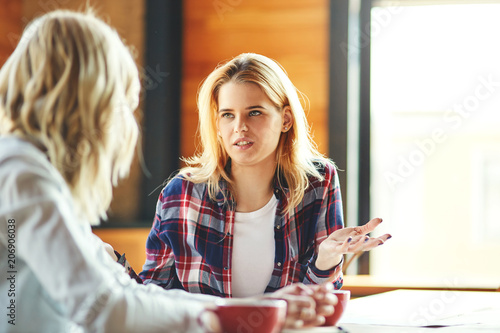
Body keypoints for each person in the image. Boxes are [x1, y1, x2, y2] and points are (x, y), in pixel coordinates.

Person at [0, 11, 334, 333]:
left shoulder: (32, 175)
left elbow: (129, 295)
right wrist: (222, 318)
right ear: (85, 101)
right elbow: (104, 308)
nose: (124, 123)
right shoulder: (20, 175)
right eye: (119, 103)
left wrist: (254, 311)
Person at [140, 53, 391, 298]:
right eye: (228, 115)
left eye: (255, 112)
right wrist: (110, 265)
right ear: (217, 125)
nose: (239, 126)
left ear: (285, 119)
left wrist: (326, 259)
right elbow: (151, 297)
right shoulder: (181, 194)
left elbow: (319, 301)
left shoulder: (318, 181)